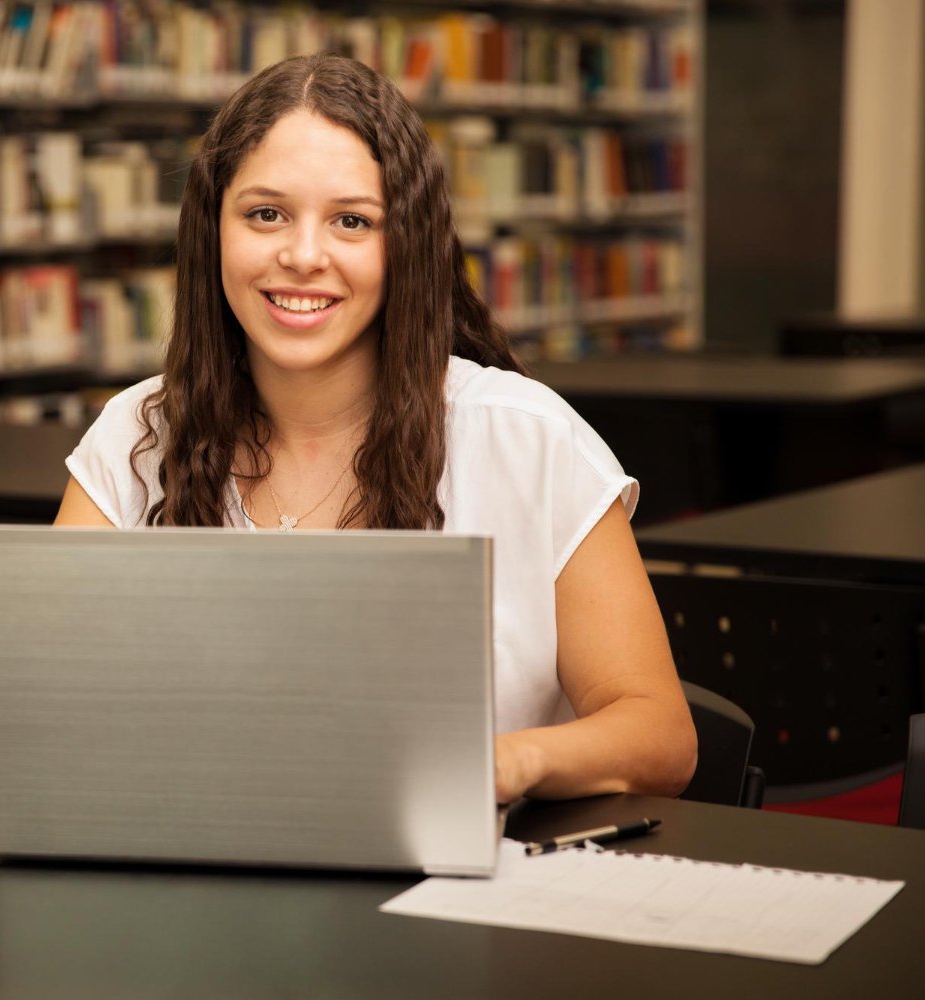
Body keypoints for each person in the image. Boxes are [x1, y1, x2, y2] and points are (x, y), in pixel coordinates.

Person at [51, 52, 697, 804]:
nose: (303, 256)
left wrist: (499, 765)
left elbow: (659, 735)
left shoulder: (528, 440)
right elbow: (26, 692)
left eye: (352, 221)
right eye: (266, 214)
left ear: (407, 246)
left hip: (462, 862)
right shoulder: (137, 434)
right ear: (212, 230)